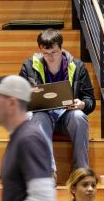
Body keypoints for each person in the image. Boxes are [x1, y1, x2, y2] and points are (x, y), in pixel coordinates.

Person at [19, 28, 94, 174]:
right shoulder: (29, 66)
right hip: (42, 117)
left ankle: (80, 172)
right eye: (45, 53)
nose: (50, 57)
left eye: (54, 52)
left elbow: (90, 100)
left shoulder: (77, 67)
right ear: (41, 51)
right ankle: (48, 172)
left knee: (79, 117)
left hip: (67, 117)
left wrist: (82, 104)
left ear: (61, 48)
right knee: (38, 117)